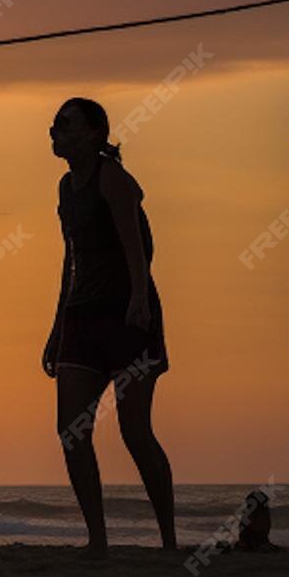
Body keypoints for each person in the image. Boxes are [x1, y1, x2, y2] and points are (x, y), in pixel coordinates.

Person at [42, 97, 176, 551]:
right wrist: (57, 325)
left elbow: (140, 245)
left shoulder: (114, 178)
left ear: (95, 132)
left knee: (135, 432)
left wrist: (139, 298)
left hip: (126, 314)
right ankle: (97, 539)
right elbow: (70, 258)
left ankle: (170, 541)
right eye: (54, 125)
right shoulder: (65, 187)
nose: (55, 131)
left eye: (65, 124)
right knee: (71, 431)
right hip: (81, 318)